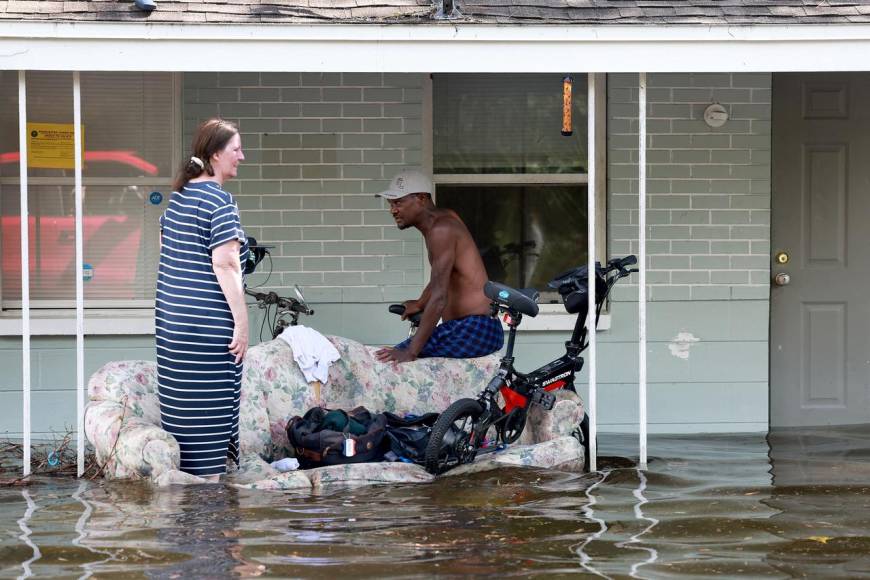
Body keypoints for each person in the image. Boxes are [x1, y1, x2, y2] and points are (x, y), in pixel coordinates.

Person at [156, 118, 249, 481]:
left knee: (184, 424)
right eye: (236, 149)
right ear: (214, 155)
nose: (242, 156)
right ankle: (210, 522)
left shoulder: (178, 198)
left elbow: (168, 251)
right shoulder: (220, 200)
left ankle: (186, 523)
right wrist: (242, 325)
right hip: (207, 328)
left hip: (171, 326)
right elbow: (226, 265)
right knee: (210, 426)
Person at [374, 168, 503, 364]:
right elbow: (440, 278)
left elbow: (440, 297)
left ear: (422, 198)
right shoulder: (442, 220)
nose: (393, 210)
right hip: (475, 327)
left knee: (387, 360)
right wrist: (419, 303)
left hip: (473, 328)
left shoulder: (441, 230)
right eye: (391, 203)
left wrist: (410, 352)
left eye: (398, 202)